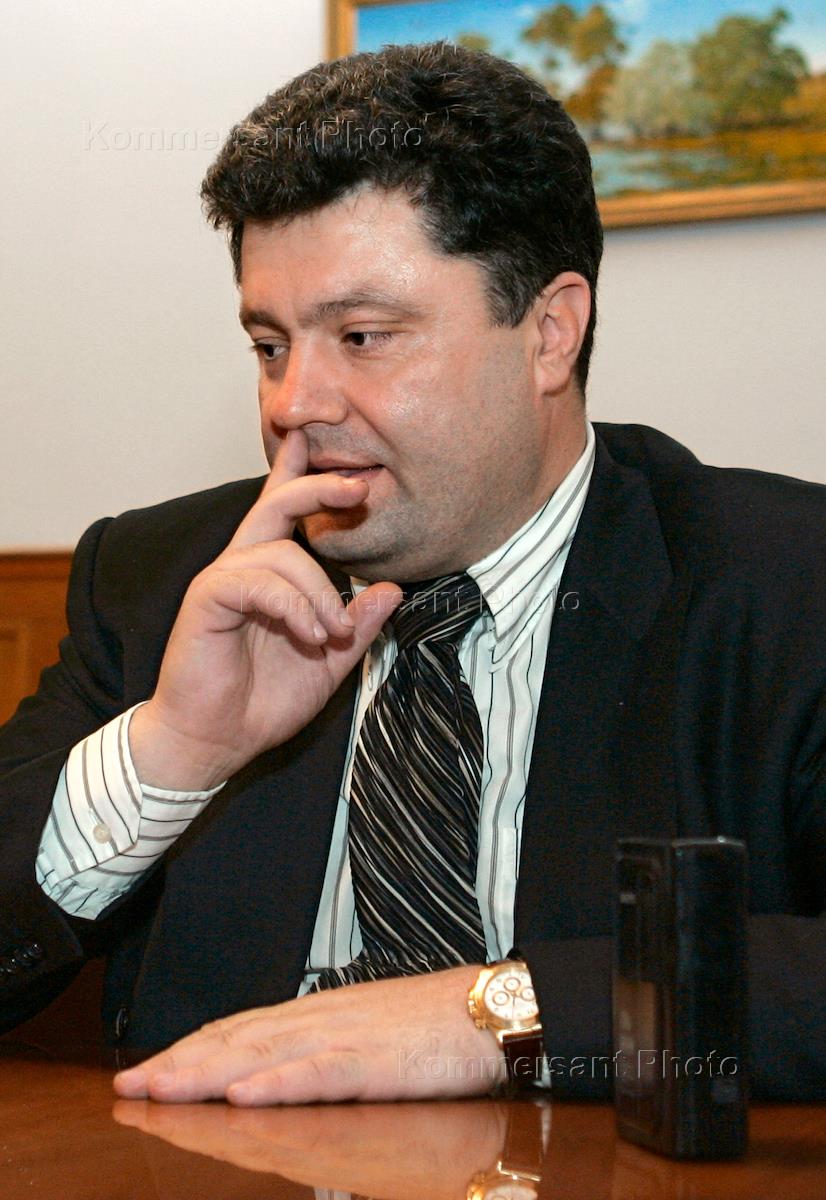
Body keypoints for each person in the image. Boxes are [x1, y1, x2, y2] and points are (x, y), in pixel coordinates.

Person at [1, 41, 824, 1107]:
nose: (294, 403)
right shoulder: (165, 583)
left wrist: (494, 1012)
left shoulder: (783, 586)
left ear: (550, 333)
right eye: (269, 346)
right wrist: (174, 754)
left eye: (362, 335)